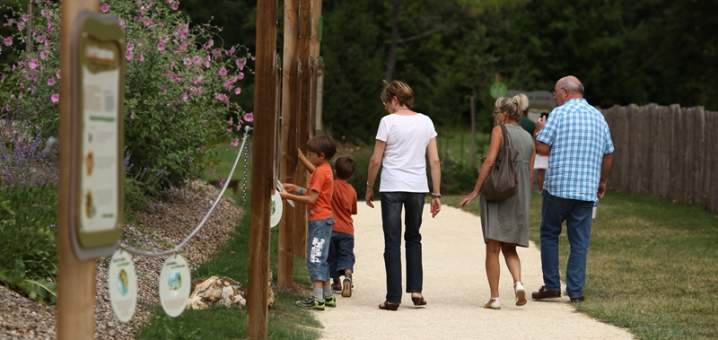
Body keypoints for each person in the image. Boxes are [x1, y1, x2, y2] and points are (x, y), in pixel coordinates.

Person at [531, 75, 614, 303]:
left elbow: (542, 148)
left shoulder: (559, 114)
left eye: (556, 92)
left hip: (558, 187)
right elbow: (608, 153)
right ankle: (576, 291)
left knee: (549, 234)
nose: (555, 96)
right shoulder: (598, 117)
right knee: (579, 241)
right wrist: (602, 182)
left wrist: (538, 130)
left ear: (566, 92)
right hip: (586, 190)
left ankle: (552, 286)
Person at [366, 80, 441, 311]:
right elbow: (435, 160)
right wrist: (436, 194)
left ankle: (393, 297)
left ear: (395, 100)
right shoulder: (426, 121)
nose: (385, 107)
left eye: (386, 102)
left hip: (392, 186)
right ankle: (416, 290)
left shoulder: (387, 122)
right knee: (413, 237)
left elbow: (376, 159)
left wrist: (369, 186)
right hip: (417, 187)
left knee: (392, 240)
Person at [460, 96, 535, 310]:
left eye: (496, 113)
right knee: (510, 247)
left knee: (493, 247)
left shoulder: (499, 131)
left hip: (498, 194)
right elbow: (529, 173)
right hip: (519, 196)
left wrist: (475, 190)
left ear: (504, 114)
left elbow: (490, 160)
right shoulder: (528, 137)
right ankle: (518, 283)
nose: (495, 116)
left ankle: (494, 298)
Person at [281, 135, 338, 311]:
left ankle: (317, 299)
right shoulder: (326, 169)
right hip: (325, 220)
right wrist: (296, 188)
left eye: (311, 154)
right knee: (322, 258)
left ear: (320, 155)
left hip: (319, 221)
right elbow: (317, 194)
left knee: (314, 258)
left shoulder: (320, 172)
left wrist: (287, 196)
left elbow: (312, 199)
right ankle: (328, 297)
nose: (309, 156)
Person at [328, 157, 358, 298]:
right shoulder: (352, 190)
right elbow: (352, 210)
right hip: (347, 230)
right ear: (351, 175)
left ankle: (337, 283)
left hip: (331, 229)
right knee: (346, 255)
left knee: (331, 257)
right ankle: (347, 276)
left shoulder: (331, 186)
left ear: (334, 171)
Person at [533, 112, 550, 191]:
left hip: (545, 154)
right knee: (541, 174)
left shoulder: (548, 129)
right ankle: (540, 189)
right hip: (541, 154)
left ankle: (542, 189)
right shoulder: (538, 129)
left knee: (543, 174)